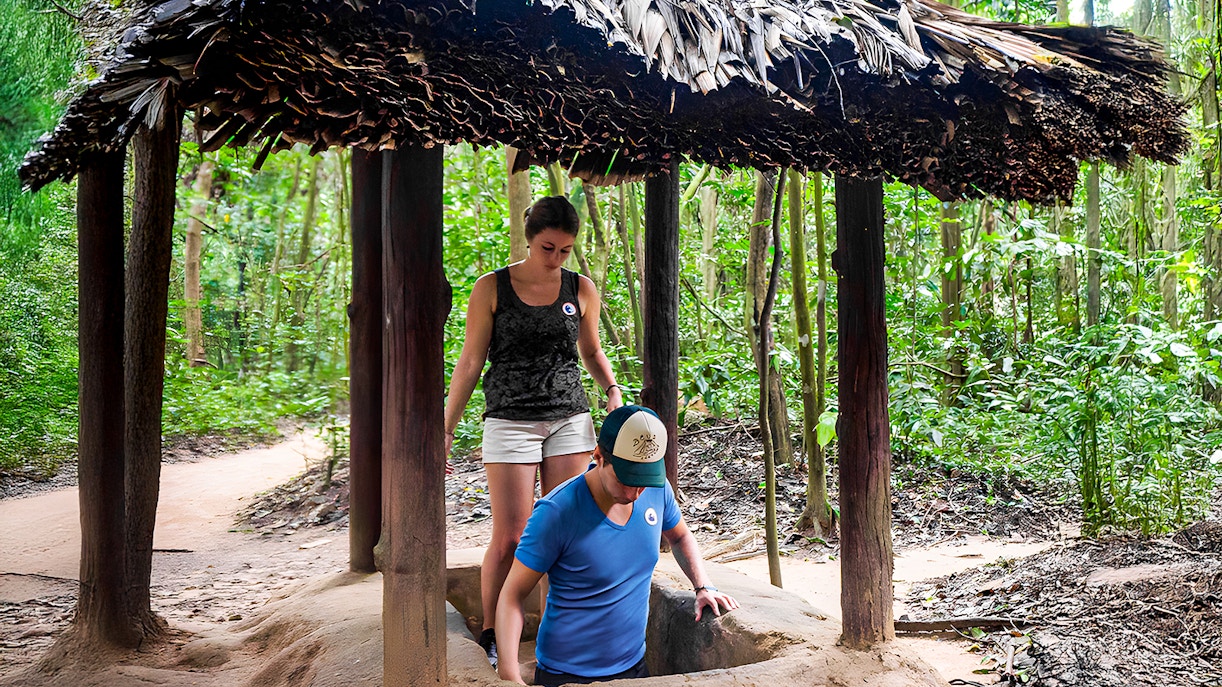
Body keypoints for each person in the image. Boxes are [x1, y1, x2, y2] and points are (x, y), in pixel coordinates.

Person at [443, 195, 624, 669]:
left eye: (565, 250)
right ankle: (490, 630)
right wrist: (446, 427)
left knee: (563, 529)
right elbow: (469, 361)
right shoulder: (492, 288)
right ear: (529, 239)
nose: (556, 259)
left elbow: (591, 351)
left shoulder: (580, 288)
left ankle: (553, 631)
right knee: (512, 536)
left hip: (569, 417)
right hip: (509, 419)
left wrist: (611, 387)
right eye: (548, 248)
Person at [495, 405, 739, 686]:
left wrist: (702, 585)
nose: (635, 493)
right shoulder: (556, 513)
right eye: (626, 479)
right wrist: (509, 674)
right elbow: (512, 595)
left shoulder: (657, 490)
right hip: (566, 675)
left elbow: (680, 536)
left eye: (644, 481)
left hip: (634, 669)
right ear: (599, 456)